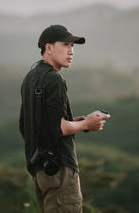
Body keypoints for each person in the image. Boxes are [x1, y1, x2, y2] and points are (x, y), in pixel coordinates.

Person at [19, 25, 110, 213]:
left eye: (73, 46)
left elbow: (27, 126)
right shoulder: (54, 79)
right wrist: (87, 124)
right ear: (49, 47)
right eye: (66, 45)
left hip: (40, 169)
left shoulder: (30, 77)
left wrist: (77, 122)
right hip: (60, 169)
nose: (71, 51)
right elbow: (59, 128)